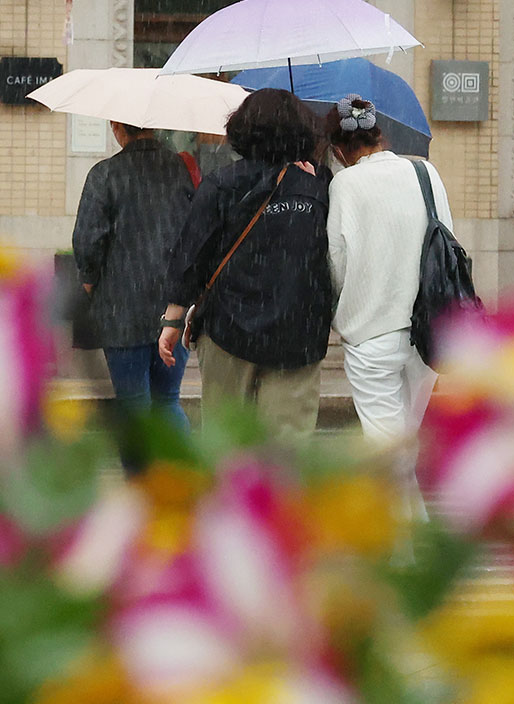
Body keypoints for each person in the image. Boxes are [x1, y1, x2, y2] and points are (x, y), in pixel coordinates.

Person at [157, 88, 334, 441]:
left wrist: (173, 320)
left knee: (226, 444)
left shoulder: (222, 185)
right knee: (287, 449)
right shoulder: (320, 187)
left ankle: (230, 497)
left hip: (228, 329)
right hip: (297, 335)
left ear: (242, 130)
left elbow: (192, 253)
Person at [323, 95, 452, 520]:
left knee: (387, 454)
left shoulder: (344, 185)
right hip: (426, 333)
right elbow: (447, 244)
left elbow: (336, 263)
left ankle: (405, 554)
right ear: (380, 135)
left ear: (339, 149)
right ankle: (412, 546)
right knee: (401, 449)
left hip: (371, 332)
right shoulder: (425, 173)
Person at [73, 121, 195, 441]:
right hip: (174, 306)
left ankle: (139, 482)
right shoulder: (179, 169)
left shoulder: (105, 174)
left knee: (133, 405)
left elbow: (87, 240)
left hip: (120, 309)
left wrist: (89, 281)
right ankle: (182, 478)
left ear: (116, 127)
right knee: (168, 400)